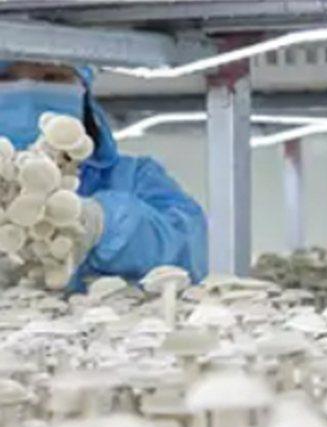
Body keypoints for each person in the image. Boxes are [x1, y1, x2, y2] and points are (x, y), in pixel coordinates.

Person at [0, 61, 207, 290]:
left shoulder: (133, 178)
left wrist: (99, 223)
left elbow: (187, 249)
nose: (28, 92)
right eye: (4, 78)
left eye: (52, 78)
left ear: (83, 90)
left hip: (122, 324)